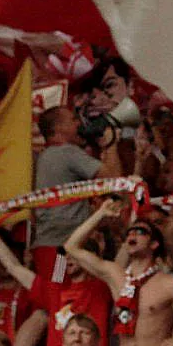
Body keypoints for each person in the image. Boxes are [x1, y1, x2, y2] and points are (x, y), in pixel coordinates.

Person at [64, 200, 173, 346]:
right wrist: (100, 214)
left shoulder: (170, 284)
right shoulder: (116, 275)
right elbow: (71, 246)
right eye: (129, 232)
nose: (132, 235)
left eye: (140, 232)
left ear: (155, 244)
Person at [0, 232, 112, 346]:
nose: (68, 258)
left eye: (74, 254)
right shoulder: (55, 291)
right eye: (66, 255)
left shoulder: (102, 289)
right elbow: (13, 266)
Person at [31, 106, 121, 276]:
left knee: (60, 296)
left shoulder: (46, 156)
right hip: (62, 248)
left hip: (49, 246)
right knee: (63, 295)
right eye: (73, 119)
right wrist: (111, 143)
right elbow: (113, 180)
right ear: (59, 128)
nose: (79, 123)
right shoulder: (67, 152)